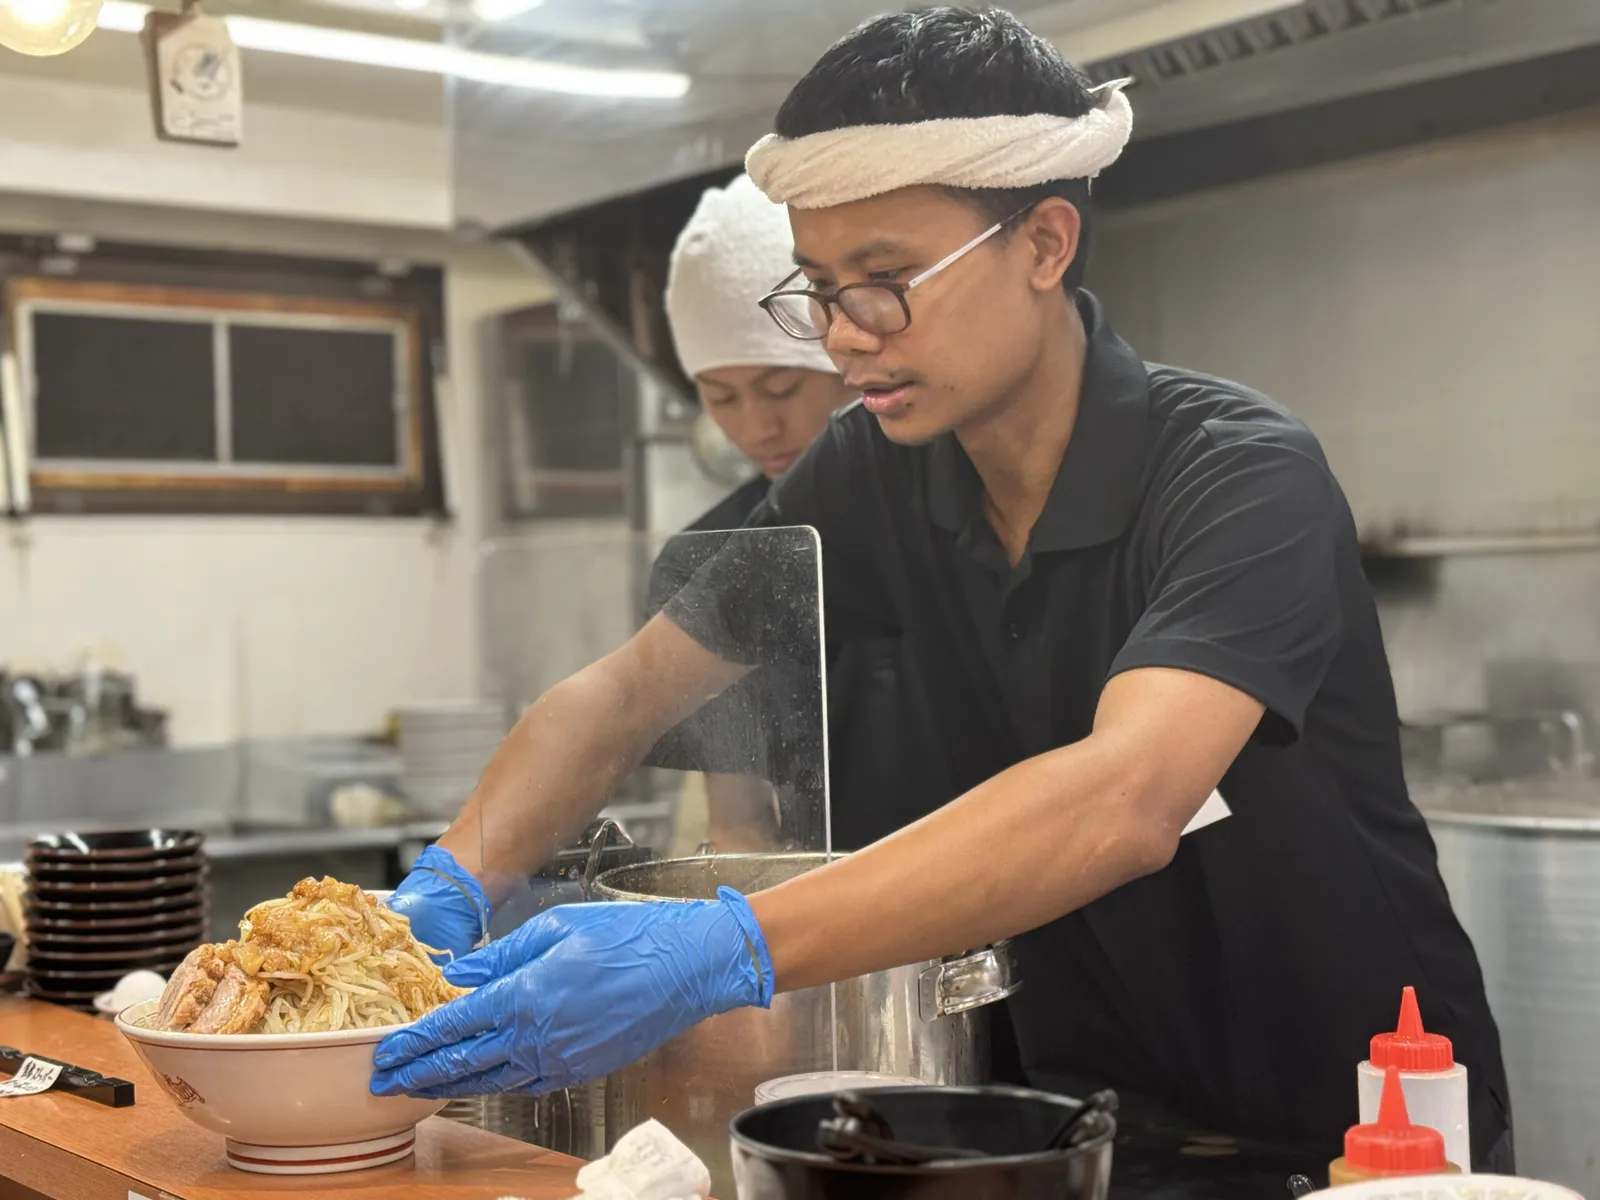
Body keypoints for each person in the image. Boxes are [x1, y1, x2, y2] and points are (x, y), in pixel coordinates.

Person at [375, 7, 1512, 1168]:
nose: (844, 339)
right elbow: (630, 693)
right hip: (1076, 1113)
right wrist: (447, 885)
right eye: (820, 288)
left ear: (1045, 244)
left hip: (1349, 1117)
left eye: (885, 281)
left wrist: (728, 948)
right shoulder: (874, 471)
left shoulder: (1236, 473)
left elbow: (1125, 799)